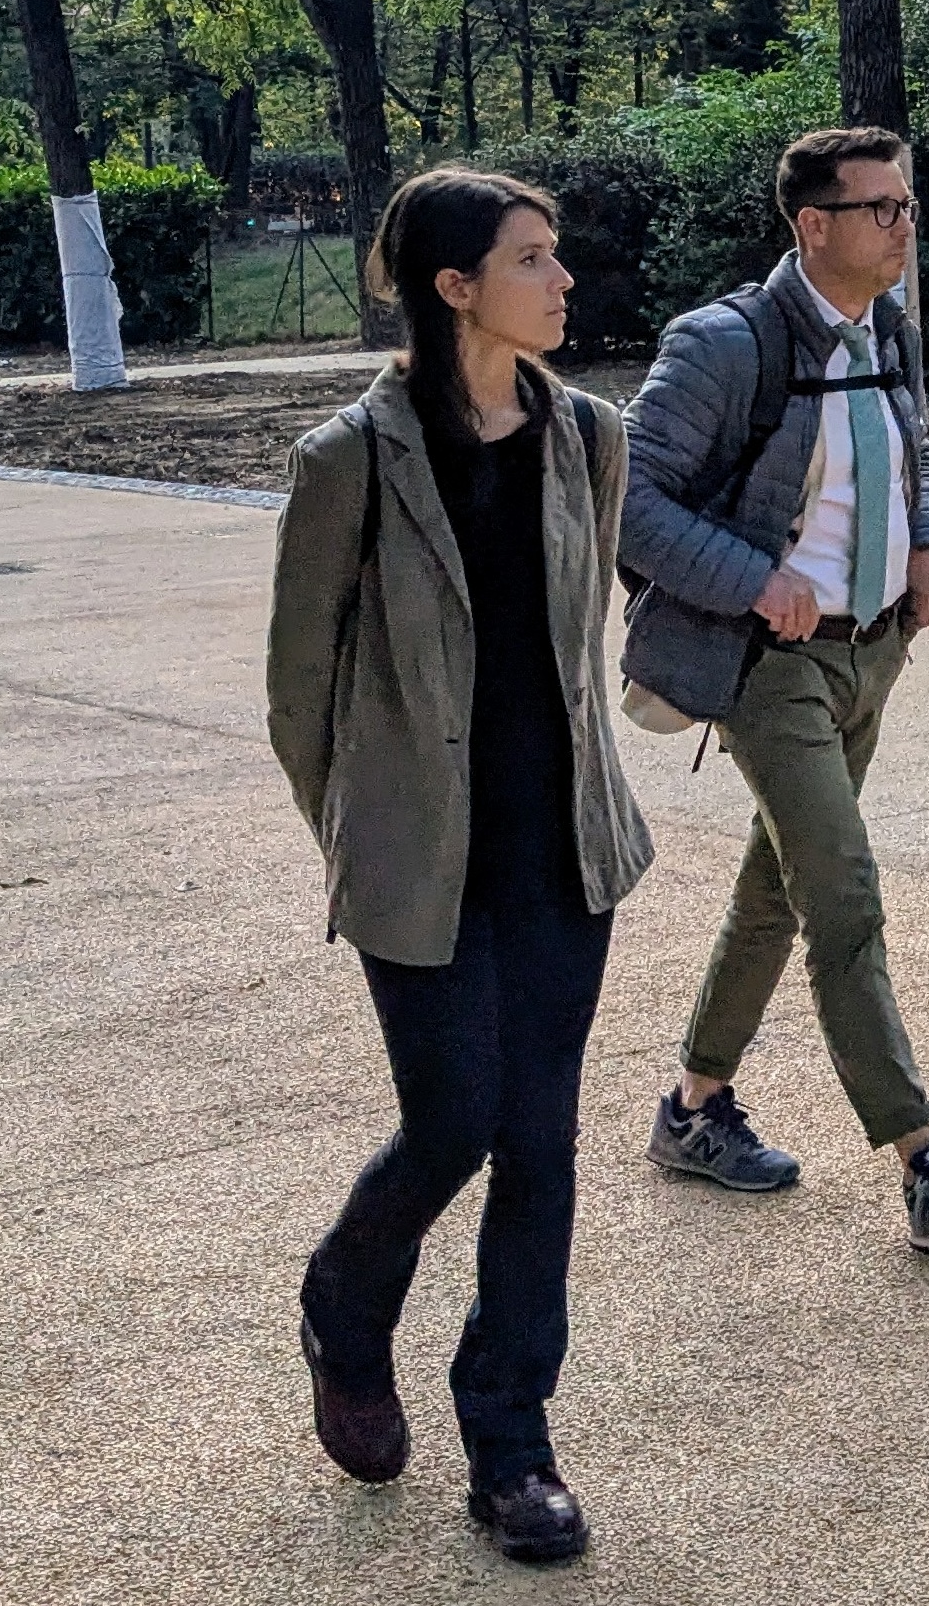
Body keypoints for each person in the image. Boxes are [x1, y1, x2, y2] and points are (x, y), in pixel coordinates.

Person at [265, 168, 654, 1565]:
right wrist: (370, 831)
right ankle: (345, 1297)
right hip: (420, 860)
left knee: (540, 1140)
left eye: (555, 255)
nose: (562, 280)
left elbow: (582, 642)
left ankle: (512, 1440)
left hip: (563, 851)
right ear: (455, 286)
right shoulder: (349, 461)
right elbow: (299, 690)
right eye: (532, 258)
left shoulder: (589, 435)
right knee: (452, 1120)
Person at [619, 125, 929, 1253]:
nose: (904, 227)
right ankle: (927, 1163)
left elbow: (916, 454)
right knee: (843, 895)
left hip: (873, 652)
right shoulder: (724, 343)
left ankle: (694, 1108)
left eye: (906, 205)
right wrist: (755, 580)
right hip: (771, 666)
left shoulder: (886, 326)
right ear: (813, 225)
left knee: (777, 888)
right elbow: (628, 499)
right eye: (881, 208)